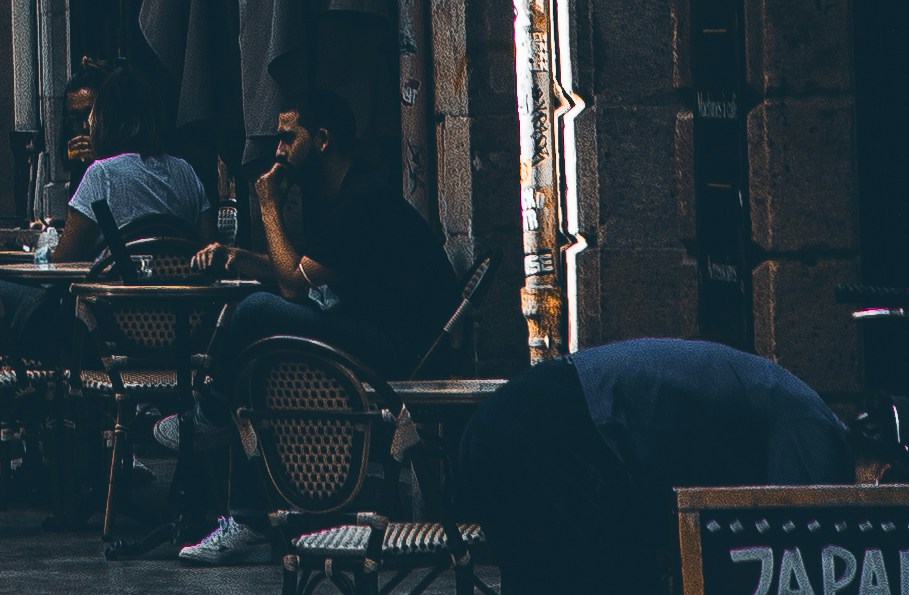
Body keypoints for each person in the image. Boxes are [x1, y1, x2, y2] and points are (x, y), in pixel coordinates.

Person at [170, 83, 460, 564]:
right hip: (370, 330)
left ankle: (209, 418)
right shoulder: (342, 190)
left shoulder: (360, 199)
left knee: (259, 313)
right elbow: (308, 270)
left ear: (321, 139)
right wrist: (238, 255)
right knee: (261, 350)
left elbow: (292, 286)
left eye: (288, 138)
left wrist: (267, 204)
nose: (278, 151)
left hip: (400, 351)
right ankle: (247, 517)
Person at [449, 334, 847, 595]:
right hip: (550, 428)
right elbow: (800, 535)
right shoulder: (813, 424)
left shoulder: (787, 401)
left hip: (521, 422)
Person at [53, 57, 210, 264]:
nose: (86, 125)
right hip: (178, 292)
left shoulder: (101, 175)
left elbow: (64, 261)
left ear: (104, 118)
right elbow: (210, 249)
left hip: (115, 293)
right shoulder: (185, 172)